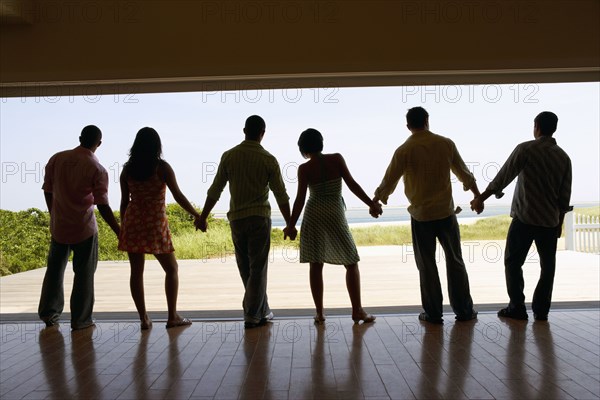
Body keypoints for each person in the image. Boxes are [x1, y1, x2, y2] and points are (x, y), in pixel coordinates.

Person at [373, 106, 480, 324]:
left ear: (408, 126)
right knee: (455, 261)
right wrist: (478, 197)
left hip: (421, 216)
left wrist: (376, 202)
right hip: (446, 213)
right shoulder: (445, 143)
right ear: (427, 120)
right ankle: (464, 311)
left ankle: (432, 313)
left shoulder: (404, 150)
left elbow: (389, 181)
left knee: (427, 265)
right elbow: (464, 174)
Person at [471, 111, 572, 321]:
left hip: (524, 218)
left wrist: (481, 198)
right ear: (554, 128)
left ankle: (517, 306)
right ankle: (541, 310)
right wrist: (559, 224)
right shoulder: (564, 157)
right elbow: (564, 196)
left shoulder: (525, 149)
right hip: (549, 221)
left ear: (536, 126)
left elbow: (503, 176)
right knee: (548, 267)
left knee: (513, 262)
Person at [196, 115, 293, 329]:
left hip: (237, 220)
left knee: (246, 268)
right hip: (259, 218)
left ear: (244, 130)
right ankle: (252, 314)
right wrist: (290, 223)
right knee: (258, 268)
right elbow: (281, 195)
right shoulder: (269, 159)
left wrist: (203, 216)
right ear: (262, 133)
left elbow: (216, 189)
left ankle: (262, 310)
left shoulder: (229, 156)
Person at [285, 128, 378, 324]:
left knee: (315, 263)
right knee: (351, 261)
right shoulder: (336, 159)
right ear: (321, 143)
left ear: (303, 148)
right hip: (335, 212)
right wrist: (371, 203)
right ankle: (357, 310)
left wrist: (291, 225)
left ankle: (319, 313)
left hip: (314, 214)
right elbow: (352, 184)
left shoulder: (304, 169)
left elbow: (300, 199)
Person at [39, 125, 120, 330]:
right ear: (98, 143)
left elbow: (47, 190)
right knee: (84, 274)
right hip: (84, 228)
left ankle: (50, 314)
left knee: (54, 271)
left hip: (59, 227)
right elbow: (102, 204)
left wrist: (53, 213)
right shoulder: (97, 169)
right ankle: (81, 320)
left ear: (80, 138)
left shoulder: (57, 159)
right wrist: (119, 230)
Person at [119, 127, 200, 329]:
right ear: (157, 145)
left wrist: (123, 227)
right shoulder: (162, 168)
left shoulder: (127, 169)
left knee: (136, 272)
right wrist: (197, 215)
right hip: (155, 223)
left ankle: (143, 319)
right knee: (171, 269)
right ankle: (172, 316)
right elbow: (178, 196)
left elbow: (123, 202)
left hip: (133, 222)